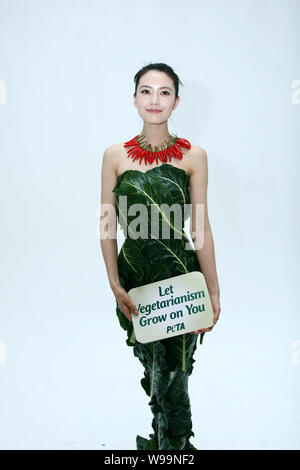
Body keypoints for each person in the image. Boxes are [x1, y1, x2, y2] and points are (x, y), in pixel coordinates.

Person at [100, 63, 221, 450]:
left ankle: (175, 448)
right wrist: (115, 282)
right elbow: (107, 225)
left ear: (176, 101)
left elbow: (199, 227)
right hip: (136, 280)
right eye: (146, 91)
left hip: (179, 279)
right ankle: (163, 441)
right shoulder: (114, 156)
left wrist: (213, 291)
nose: (155, 100)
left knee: (176, 372)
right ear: (135, 99)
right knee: (153, 369)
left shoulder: (193, 156)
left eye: (164, 92)